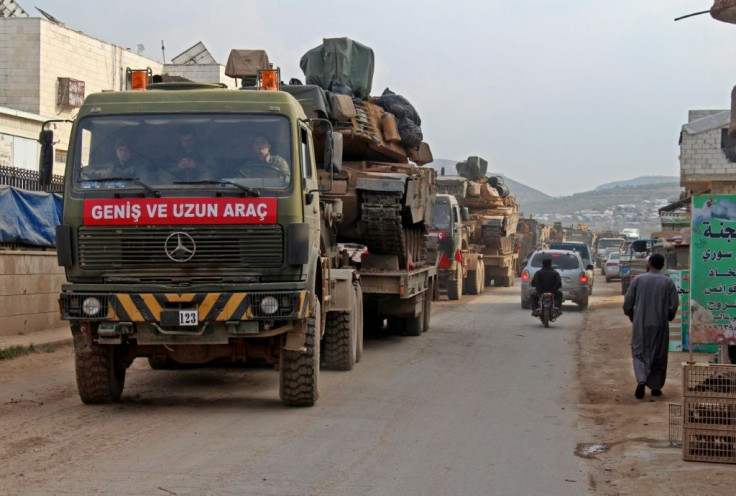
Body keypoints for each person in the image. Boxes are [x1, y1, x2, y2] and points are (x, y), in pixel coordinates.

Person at [622, 253, 679, 399]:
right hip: (660, 323)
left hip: (641, 322)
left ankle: (641, 380)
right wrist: (668, 316)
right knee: (659, 354)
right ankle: (655, 387)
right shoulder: (668, 282)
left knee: (639, 352)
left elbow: (628, 303)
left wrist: (631, 315)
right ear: (662, 266)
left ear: (649, 264)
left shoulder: (638, 279)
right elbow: (673, 306)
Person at [81, 136, 150, 180]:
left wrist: (112, 174)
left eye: (127, 150)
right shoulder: (111, 165)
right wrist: (98, 173)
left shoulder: (140, 168)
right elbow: (84, 170)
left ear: (131, 152)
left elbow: (140, 186)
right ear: (116, 152)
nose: (123, 152)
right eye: (120, 150)